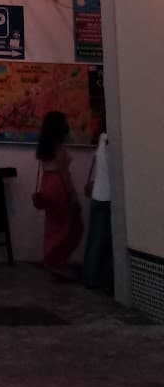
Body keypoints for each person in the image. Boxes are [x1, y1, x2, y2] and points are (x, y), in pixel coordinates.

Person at [34, 110, 83, 278]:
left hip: (46, 184)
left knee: (53, 225)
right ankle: (56, 261)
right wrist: (73, 197)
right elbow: (65, 176)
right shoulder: (60, 150)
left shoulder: (44, 147)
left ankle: (52, 260)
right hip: (57, 185)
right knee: (71, 226)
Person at [82, 126, 114, 294]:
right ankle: (97, 279)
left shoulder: (102, 137)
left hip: (97, 195)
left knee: (94, 239)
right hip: (107, 197)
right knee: (103, 242)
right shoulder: (111, 140)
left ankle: (90, 276)